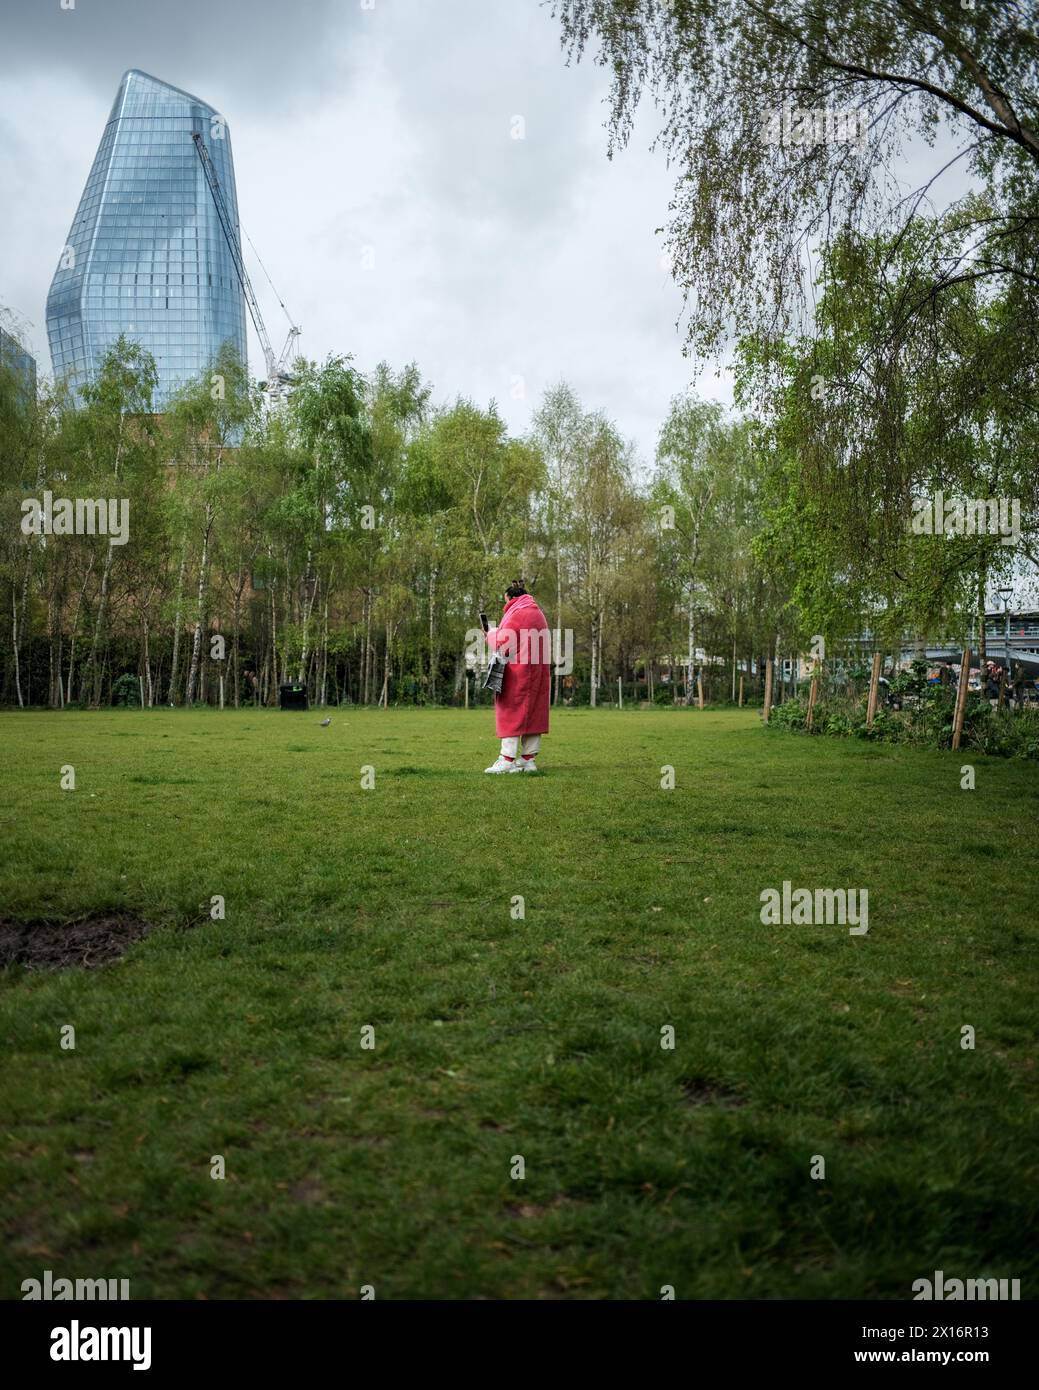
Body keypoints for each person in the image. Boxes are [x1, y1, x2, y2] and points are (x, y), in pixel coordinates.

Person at [483, 580, 551, 773]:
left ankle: (506, 760)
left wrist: (489, 634)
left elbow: (503, 642)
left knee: (510, 712)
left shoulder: (517, 614)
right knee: (534, 715)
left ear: (512, 598)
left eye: (505, 602)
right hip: (538, 674)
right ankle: (528, 760)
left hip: (518, 674)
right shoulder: (538, 613)